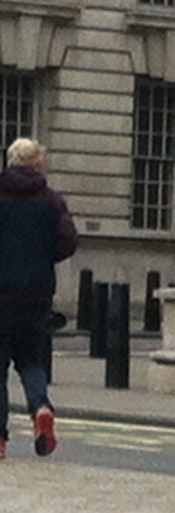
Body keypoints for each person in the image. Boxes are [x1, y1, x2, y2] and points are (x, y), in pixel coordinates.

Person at [0, 138, 78, 460]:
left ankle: (0, 440)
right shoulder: (52, 201)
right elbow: (68, 242)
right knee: (32, 360)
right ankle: (40, 407)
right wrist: (43, 257)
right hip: (37, 293)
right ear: (36, 164)